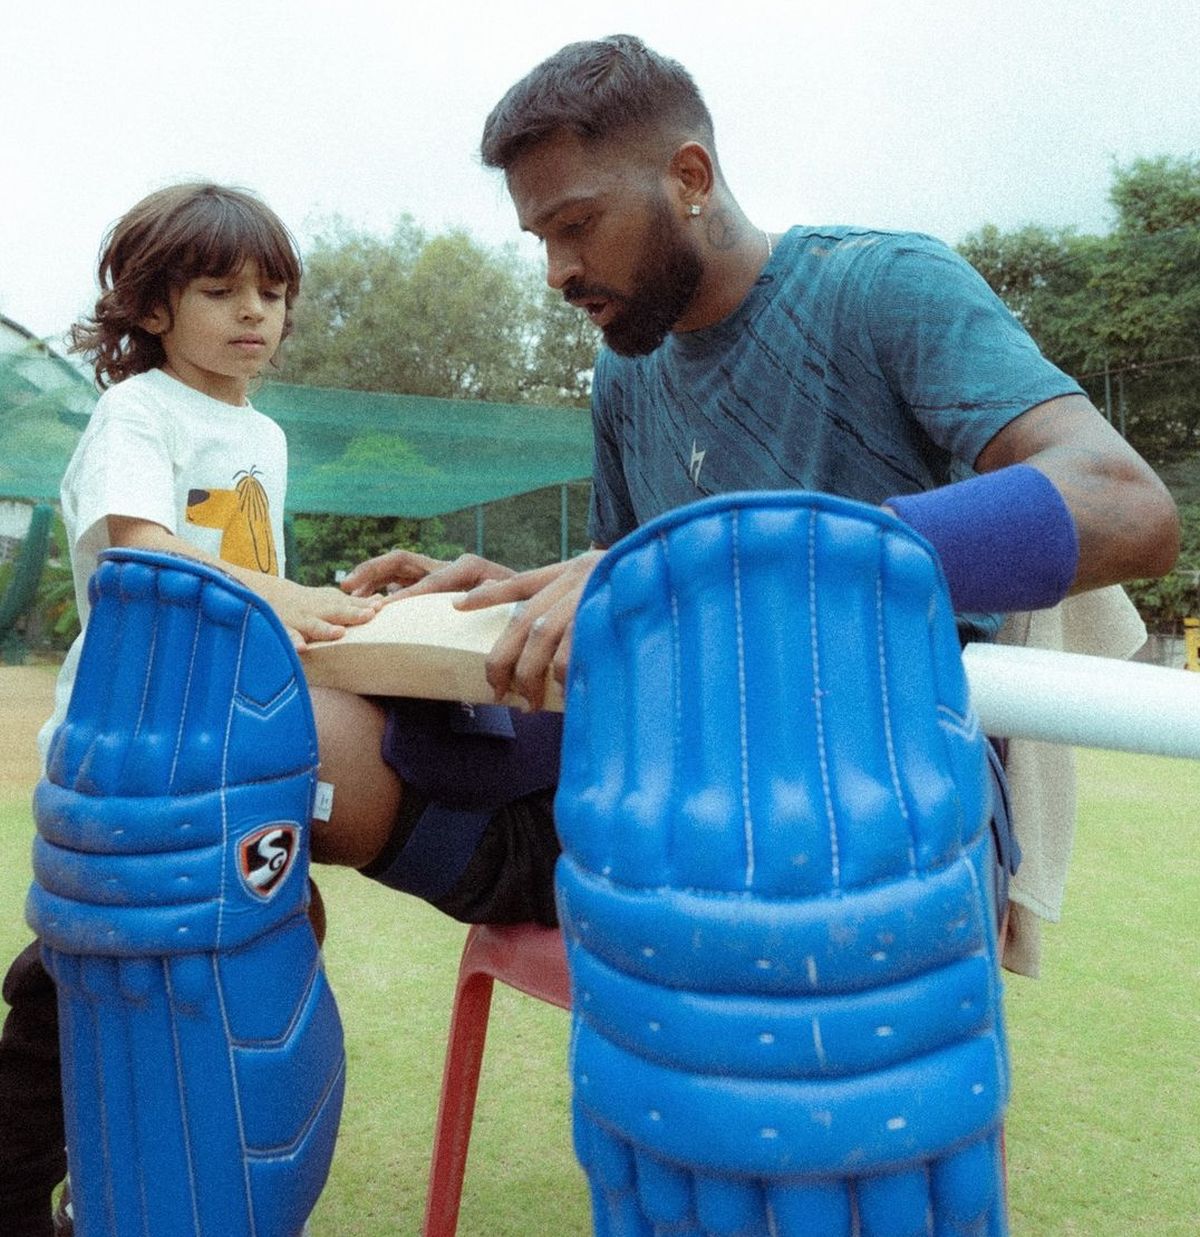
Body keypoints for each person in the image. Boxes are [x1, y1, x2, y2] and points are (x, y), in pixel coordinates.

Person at [307, 33, 1176, 940]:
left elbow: (1126, 504)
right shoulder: (627, 378)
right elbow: (635, 577)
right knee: (296, 746)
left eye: (575, 226)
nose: (557, 272)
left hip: (872, 792)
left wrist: (732, 563)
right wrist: (501, 600)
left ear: (689, 177)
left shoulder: (882, 287)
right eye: (541, 239)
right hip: (657, 770)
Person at [0, 181, 380, 1237]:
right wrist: (296, 598)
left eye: (274, 290)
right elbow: (147, 554)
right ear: (156, 308)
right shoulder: (138, 413)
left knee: (248, 947)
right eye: (222, 290)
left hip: (230, 749)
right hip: (133, 747)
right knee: (79, 981)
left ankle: (181, 1186)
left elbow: (257, 597)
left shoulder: (264, 433)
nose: (256, 311)